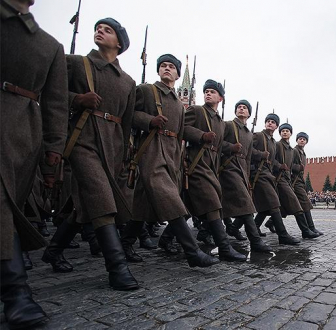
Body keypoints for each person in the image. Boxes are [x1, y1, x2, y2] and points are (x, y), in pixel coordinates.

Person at [41, 18, 139, 291]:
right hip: (82, 139)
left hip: (113, 147)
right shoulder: (76, 63)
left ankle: (54, 249)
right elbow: (51, 91)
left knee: (85, 204)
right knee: (101, 198)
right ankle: (117, 268)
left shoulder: (128, 82)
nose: (100, 31)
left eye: (108, 30)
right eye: (98, 28)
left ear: (119, 43)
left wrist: (124, 154)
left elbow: (127, 122)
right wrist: (78, 99)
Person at [1, 0, 69, 326]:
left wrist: (54, 148)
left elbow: (55, 103)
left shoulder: (49, 46)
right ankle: (16, 293)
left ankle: (17, 292)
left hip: (19, 132)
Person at [120, 54, 219, 267]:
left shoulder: (177, 101)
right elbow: (128, 114)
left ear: (176, 73)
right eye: (163, 65)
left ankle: (125, 243)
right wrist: (148, 120)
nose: (167, 68)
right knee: (171, 199)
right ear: (158, 70)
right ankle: (192, 252)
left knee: (143, 202)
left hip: (173, 154)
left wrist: (199, 138)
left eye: (171, 66)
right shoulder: (147, 90)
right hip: (151, 150)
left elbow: (183, 131)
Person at [182, 79, 246, 261]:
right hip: (196, 163)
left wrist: (230, 147)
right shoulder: (196, 110)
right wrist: (200, 135)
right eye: (206, 91)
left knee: (185, 207)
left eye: (212, 92)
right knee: (212, 203)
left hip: (212, 166)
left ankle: (165, 238)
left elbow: (218, 144)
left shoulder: (220, 121)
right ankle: (224, 247)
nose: (208, 94)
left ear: (221, 98)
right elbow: (182, 128)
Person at [219, 100, 272, 252]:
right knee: (245, 203)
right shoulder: (228, 125)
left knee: (233, 204)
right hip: (228, 168)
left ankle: (207, 231)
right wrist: (230, 147)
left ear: (249, 114)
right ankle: (255, 242)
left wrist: (248, 177)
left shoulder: (249, 134)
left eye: (244, 108)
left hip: (241, 170)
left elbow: (248, 158)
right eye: (239, 107)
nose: (241, 109)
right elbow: (216, 142)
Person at [250, 114, 300, 245]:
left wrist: (278, 166)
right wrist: (260, 154)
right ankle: (282, 235)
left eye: (273, 122)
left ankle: (243, 228)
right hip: (258, 174)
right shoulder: (259, 136)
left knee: (267, 205)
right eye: (268, 121)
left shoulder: (272, 141)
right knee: (273, 203)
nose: (270, 123)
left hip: (268, 175)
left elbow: (273, 161)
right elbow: (248, 150)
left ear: (276, 125)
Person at [266, 123, 319, 239]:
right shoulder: (280, 146)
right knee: (297, 204)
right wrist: (282, 166)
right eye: (283, 130)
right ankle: (307, 229)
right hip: (282, 179)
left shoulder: (295, 151)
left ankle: (267, 223)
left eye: (287, 131)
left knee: (281, 206)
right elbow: (271, 160)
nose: (285, 132)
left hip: (290, 180)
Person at [292, 132, 323, 235]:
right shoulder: (294, 151)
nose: (302, 140)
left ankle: (270, 223)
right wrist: (297, 167)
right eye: (300, 138)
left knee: (284, 206)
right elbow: (288, 165)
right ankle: (310, 228)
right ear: (296, 140)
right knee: (305, 203)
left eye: (304, 139)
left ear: (306, 142)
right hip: (294, 181)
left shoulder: (302, 153)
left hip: (299, 181)